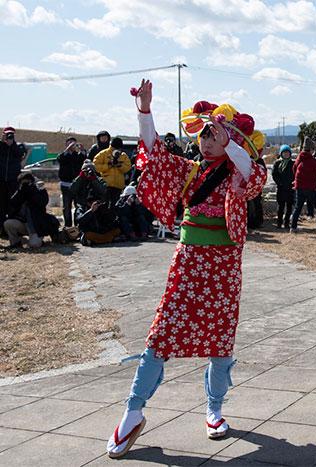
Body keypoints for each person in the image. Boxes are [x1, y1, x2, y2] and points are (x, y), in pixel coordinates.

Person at [106, 80, 267, 458]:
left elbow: (253, 171)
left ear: (231, 140)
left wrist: (230, 140)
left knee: (221, 343)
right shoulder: (189, 170)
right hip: (190, 260)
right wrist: (145, 112)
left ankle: (214, 410)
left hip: (224, 265)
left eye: (215, 135)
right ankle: (133, 410)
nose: (207, 141)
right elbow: (153, 153)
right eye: (204, 135)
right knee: (160, 334)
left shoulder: (240, 172)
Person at [3, 172, 59, 249]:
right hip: (23, 223)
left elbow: (42, 202)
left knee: (34, 245)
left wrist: (32, 191)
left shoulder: (39, 190)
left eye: (27, 183)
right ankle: (16, 242)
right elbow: (12, 203)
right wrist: (20, 191)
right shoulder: (20, 192)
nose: (25, 185)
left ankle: (36, 240)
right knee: (8, 223)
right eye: (23, 183)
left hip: (36, 225)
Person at [289, 138, 316, 233]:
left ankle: (293, 227)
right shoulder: (313, 160)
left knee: (298, 207)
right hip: (310, 187)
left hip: (299, 186)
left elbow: (294, 168)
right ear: (311, 150)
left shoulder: (299, 158)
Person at [0, 127, 26, 228]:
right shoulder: (1, 146)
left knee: (12, 203)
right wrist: (2, 142)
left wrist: (12, 145)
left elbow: (20, 155)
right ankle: (2, 227)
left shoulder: (18, 146)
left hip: (13, 180)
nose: (9, 137)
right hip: (1, 180)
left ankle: (10, 226)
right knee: (1, 204)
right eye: (7, 135)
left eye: (11, 135)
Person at [57, 138, 86, 227]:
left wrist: (82, 150)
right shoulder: (63, 155)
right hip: (66, 185)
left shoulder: (78, 155)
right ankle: (68, 226)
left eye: (73, 144)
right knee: (67, 207)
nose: (72, 145)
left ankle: (78, 226)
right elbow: (60, 159)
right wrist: (67, 150)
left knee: (79, 206)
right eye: (69, 143)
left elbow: (84, 158)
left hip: (77, 184)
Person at [94, 137, 132, 202]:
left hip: (118, 186)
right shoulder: (103, 154)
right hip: (105, 185)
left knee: (115, 206)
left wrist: (119, 165)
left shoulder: (123, 155)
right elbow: (96, 166)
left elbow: (128, 167)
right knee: (104, 205)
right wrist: (108, 165)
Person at [272, 144, 295, 229]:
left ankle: (286, 223)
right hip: (281, 188)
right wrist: (280, 183)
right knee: (280, 207)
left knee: (289, 207)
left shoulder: (293, 163)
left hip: (290, 188)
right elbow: (274, 175)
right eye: (284, 152)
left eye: (287, 152)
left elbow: (296, 174)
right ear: (281, 153)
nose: (286, 154)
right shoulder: (277, 163)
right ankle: (279, 223)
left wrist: (293, 183)